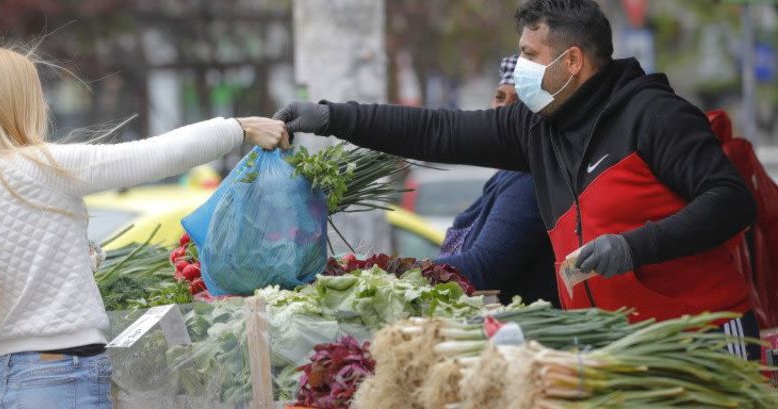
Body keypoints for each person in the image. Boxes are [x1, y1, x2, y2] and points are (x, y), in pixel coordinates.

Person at [275, 0, 760, 359]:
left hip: (702, 337)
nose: (521, 67)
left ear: (571, 62)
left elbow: (731, 201)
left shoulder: (653, 116)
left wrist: (633, 247)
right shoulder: (537, 126)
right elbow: (437, 130)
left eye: (530, 55)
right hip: (612, 341)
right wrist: (329, 116)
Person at [0, 45, 289, 409]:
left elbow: (7, 286)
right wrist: (239, 127)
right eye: (36, 95)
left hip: (9, 377)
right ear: (14, 102)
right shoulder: (38, 168)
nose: (46, 106)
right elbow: (151, 156)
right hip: (57, 377)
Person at [433, 54, 558, 306]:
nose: (503, 109)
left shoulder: (529, 178)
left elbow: (483, 268)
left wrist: (392, 270)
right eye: (500, 97)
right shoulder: (505, 174)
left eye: (517, 102)